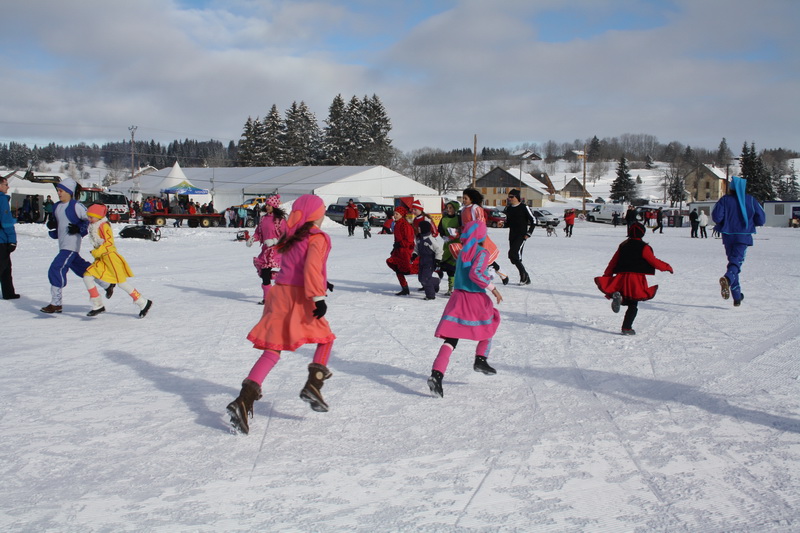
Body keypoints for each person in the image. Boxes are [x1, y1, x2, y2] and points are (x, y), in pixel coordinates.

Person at [227, 195, 336, 434]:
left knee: (272, 349)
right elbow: (311, 268)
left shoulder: (293, 235)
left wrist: (323, 283)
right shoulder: (318, 237)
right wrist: (319, 297)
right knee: (326, 340)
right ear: (314, 214)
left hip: (280, 295)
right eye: (322, 210)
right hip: (300, 297)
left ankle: (243, 401)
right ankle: (313, 385)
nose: (324, 213)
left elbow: (298, 266)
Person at [427, 220, 502, 398]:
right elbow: (475, 274)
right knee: (490, 323)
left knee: (452, 338)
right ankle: (481, 359)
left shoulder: (462, 252)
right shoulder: (481, 252)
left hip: (458, 298)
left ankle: (437, 374)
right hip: (474, 297)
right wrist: (493, 288)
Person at [41, 178, 110, 314]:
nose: (59, 193)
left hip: (71, 245)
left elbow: (91, 219)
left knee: (56, 268)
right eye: (58, 190)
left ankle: (56, 303)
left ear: (69, 192)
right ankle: (107, 283)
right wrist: (53, 225)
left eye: (61, 191)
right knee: (82, 269)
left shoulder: (76, 206)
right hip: (63, 244)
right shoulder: (57, 206)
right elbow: (56, 221)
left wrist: (79, 228)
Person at [594, 222, 673, 335]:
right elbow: (653, 261)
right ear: (642, 234)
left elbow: (613, 262)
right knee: (633, 303)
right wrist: (667, 267)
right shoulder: (644, 247)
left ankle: (621, 300)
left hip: (621, 277)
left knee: (627, 298)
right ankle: (626, 328)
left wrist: (607, 275)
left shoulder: (623, 245)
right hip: (635, 278)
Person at [82, 204, 153, 318]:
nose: (89, 219)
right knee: (87, 276)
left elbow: (109, 243)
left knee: (121, 283)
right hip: (101, 258)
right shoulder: (94, 226)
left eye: (91, 217)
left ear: (99, 216)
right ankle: (97, 304)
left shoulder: (104, 226)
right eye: (88, 216)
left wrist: (96, 252)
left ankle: (142, 302)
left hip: (110, 259)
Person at [712, 176, 766, 307]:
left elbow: (716, 216)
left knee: (733, 263)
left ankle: (737, 296)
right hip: (743, 235)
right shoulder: (751, 200)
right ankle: (728, 279)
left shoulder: (724, 200)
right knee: (736, 263)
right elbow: (761, 219)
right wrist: (751, 222)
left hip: (728, 235)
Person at [461, 188, 509, 285]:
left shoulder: (475, 208)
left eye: (465, 198)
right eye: (463, 198)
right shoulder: (463, 210)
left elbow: (481, 223)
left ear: (472, 199)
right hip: (468, 240)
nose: (464, 200)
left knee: (484, 260)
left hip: (478, 239)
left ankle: (500, 273)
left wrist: (478, 237)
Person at [248, 195, 286, 305]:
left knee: (265, 273)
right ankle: (268, 297)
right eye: (267, 204)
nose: (267, 206)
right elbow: (258, 233)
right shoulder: (263, 219)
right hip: (265, 251)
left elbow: (286, 236)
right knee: (265, 274)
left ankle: (268, 298)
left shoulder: (280, 220)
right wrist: (252, 239)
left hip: (276, 250)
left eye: (269, 205)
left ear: (274, 206)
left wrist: (274, 241)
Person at [503, 189, 535, 285]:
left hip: (522, 236)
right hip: (512, 235)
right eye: (509, 197)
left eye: (511, 197)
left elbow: (534, 220)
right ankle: (526, 276)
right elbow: (508, 222)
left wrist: (529, 233)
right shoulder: (509, 208)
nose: (509, 199)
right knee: (512, 257)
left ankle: (523, 277)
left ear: (517, 197)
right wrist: (503, 224)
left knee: (514, 253)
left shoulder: (524, 207)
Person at [386, 205, 416, 295]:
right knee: (397, 267)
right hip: (398, 251)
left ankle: (432, 280)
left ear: (401, 215)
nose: (394, 215)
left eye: (397, 214)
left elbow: (409, 240)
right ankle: (405, 288)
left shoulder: (405, 225)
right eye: (394, 214)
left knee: (408, 269)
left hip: (405, 251)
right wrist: (395, 247)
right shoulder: (397, 224)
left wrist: (400, 244)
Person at [0, 175, 20, 299]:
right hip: (1, 240)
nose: (8, 186)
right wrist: (12, 240)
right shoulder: (2, 200)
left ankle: (8, 292)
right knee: (3, 266)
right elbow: (6, 222)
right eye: (6, 184)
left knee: (6, 267)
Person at [413, 220, 443, 300]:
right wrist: (414, 255)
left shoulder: (430, 240)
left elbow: (439, 250)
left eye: (419, 228)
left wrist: (437, 261)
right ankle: (436, 282)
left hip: (430, 261)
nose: (418, 229)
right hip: (422, 261)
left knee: (425, 279)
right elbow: (417, 248)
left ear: (424, 228)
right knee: (421, 278)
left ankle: (430, 295)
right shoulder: (419, 238)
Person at [437, 200, 461, 295]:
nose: (448, 210)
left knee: (455, 267)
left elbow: (464, 228)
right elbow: (440, 230)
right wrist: (444, 236)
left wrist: (457, 233)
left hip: (458, 245)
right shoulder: (443, 219)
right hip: (447, 246)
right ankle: (450, 289)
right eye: (447, 208)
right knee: (448, 268)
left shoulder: (459, 218)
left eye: (450, 208)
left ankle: (457, 288)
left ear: (455, 209)